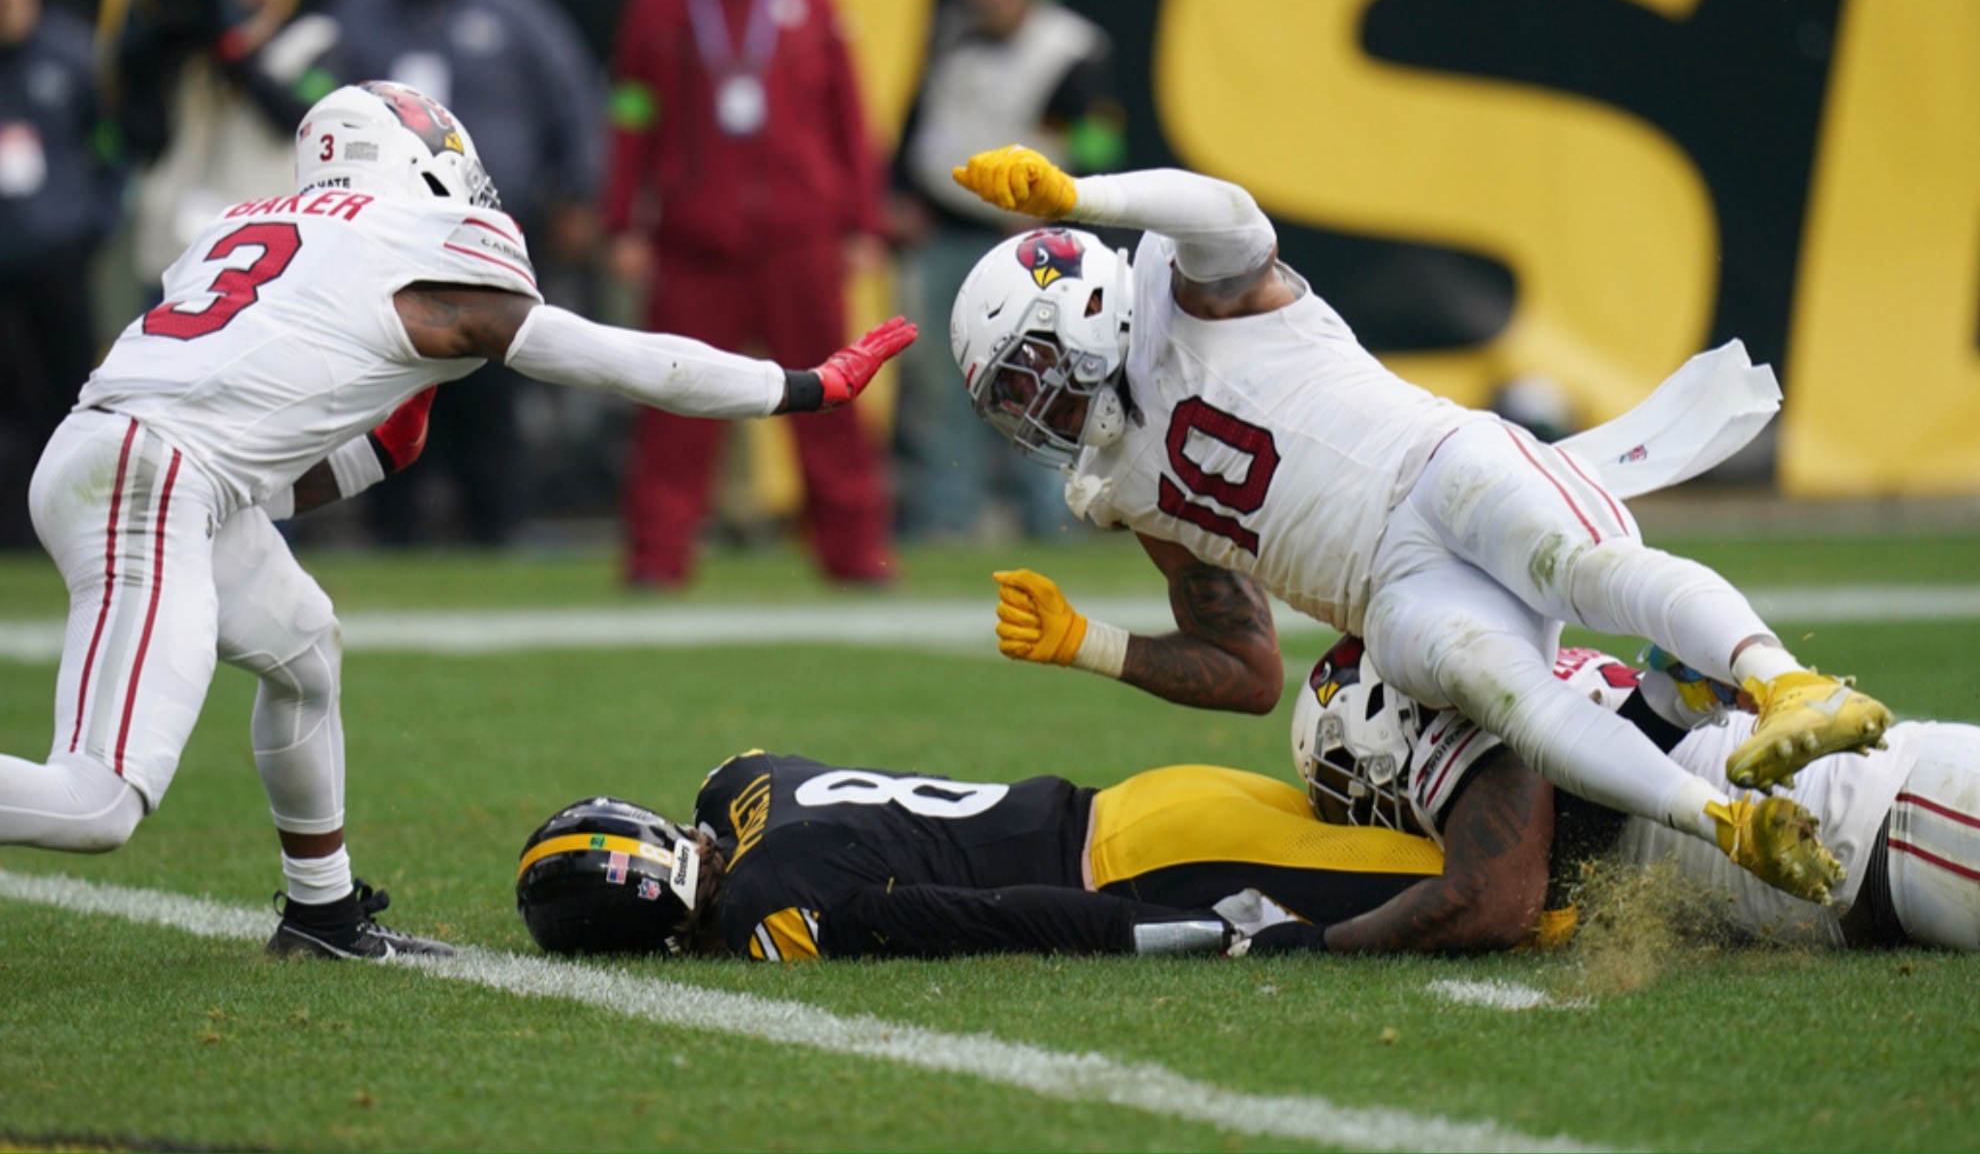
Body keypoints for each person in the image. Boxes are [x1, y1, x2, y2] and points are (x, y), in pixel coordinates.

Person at [0, 80, 914, 960]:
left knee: (305, 650)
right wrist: (797, 386)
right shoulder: (422, 238)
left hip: (125, 461)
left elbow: (281, 458)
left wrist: (381, 444)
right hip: (155, 478)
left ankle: (323, 915)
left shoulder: (241, 225)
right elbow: (607, 355)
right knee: (98, 804)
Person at [944, 144, 1893, 907]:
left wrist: (1082, 192)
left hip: (1434, 468)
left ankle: (1786, 683)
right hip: (1387, 597)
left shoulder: (1185, 289)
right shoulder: (1117, 486)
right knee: (1519, 707)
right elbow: (1248, 670)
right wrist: (1090, 644)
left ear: (1087, 306)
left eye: (1031, 372)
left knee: (1584, 568)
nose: (1034, 411)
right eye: (1009, 399)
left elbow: (1230, 211)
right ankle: (1724, 823)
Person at [514, 740, 1553, 961]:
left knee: (1496, 893)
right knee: (1433, 825)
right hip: (1154, 792)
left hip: (1153, 865)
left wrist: (1205, 937)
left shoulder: (764, 914)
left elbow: (993, 919)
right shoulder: (735, 780)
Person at [602, 0, 895, 587]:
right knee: (674, 402)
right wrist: (623, 221)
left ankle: (854, 552)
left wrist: (862, 223)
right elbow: (633, 115)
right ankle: (658, 555)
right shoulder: (663, 2)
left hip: (797, 238)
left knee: (829, 398)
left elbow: (846, 120)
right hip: (696, 241)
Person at [1294, 638, 1980, 952]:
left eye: (1338, 786)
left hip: (1900, 825)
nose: (1344, 811)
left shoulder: (1469, 723)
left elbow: (1502, 899)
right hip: (1892, 829)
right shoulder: (1507, 674)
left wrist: (1312, 942)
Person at [328, 0, 606, 546]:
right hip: (385, 240)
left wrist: (578, 191)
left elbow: (574, 101)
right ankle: (392, 529)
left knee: (491, 384)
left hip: (487, 237)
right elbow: (316, 100)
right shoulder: (362, 16)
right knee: (389, 383)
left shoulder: (514, 12)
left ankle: (497, 526)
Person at [890, 0, 1124, 543]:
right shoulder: (953, 33)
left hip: (1032, 244)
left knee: (1049, 376)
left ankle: (1056, 517)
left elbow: (1101, 138)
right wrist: (902, 196)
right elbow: (922, 118)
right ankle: (947, 514)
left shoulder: (1070, 48)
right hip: (946, 229)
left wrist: (1060, 192)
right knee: (942, 381)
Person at [115, 0, 340, 291]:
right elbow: (138, 120)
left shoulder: (313, 39)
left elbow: (295, 118)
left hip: (270, 250)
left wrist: (234, 51)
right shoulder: (191, 45)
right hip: (179, 248)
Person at [0, 0, 122, 548]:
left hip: (57, 256)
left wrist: (89, 223)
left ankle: (74, 531)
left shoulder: (72, 55)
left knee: (67, 402)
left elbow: (109, 147)